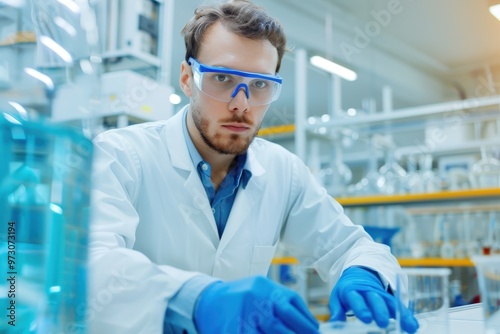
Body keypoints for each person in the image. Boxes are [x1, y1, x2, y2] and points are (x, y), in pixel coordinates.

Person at [87, 0, 419, 333]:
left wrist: (363, 273)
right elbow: (92, 266)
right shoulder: (120, 156)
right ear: (187, 79)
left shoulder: (283, 171)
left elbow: (350, 247)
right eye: (221, 78)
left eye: (259, 85)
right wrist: (196, 299)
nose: (241, 104)